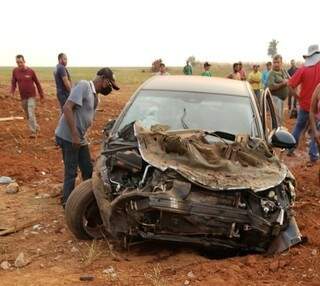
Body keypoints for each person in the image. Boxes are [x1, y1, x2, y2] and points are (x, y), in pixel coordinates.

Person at [55, 67, 120, 206]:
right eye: (110, 85)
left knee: (87, 169)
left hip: (79, 137)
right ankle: (67, 202)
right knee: (71, 170)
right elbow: (67, 108)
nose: (110, 89)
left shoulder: (95, 97)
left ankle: (87, 199)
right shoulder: (84, 86)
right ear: (104, 80)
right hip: (69, 136)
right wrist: (74, 135)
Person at [287, 45, 320, 164]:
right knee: (315, 130)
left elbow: (290, 85)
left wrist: (297, 97)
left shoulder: (303, 69)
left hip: (305, 104)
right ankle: (313, 156)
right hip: (318, 107)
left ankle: (290, 148)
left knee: (299, 127)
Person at [11, 55, 44, 138]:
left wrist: (41, 95)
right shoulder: (15, 71)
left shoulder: (31, 71)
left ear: (24, 61)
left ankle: (33, 132)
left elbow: (37, 83)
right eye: (17, 62)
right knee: (28, 115)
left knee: (31, 112)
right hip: (23, 97)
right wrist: (12, 92)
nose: (19, 64)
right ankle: (36, 126)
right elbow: (13, 83)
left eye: (21, 62)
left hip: (32, 96)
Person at [267, 54, 289, 126]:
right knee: (276, 118)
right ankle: (275, 134)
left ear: (281, 63)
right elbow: (271, 87)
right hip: (275, 98)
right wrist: (282, 84)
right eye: (274, 62)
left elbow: (290, 79)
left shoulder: (283, 71)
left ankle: (280, 132)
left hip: (282, 99)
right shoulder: (271, 73)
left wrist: (287, 81)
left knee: (280, 117)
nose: (276, 64)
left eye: (278, 62)